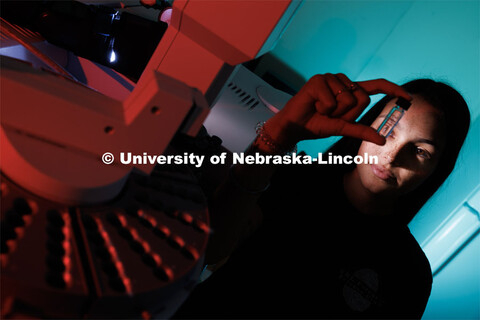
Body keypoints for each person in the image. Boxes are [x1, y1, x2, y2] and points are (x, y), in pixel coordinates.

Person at [173, 73, 470, 319]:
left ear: (437, 169)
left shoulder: (410, 275)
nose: (391, 156)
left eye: (420, 151)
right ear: (369, 122)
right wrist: (279, 135)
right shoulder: (294, 179)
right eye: (389, 128)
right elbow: (210, 249)